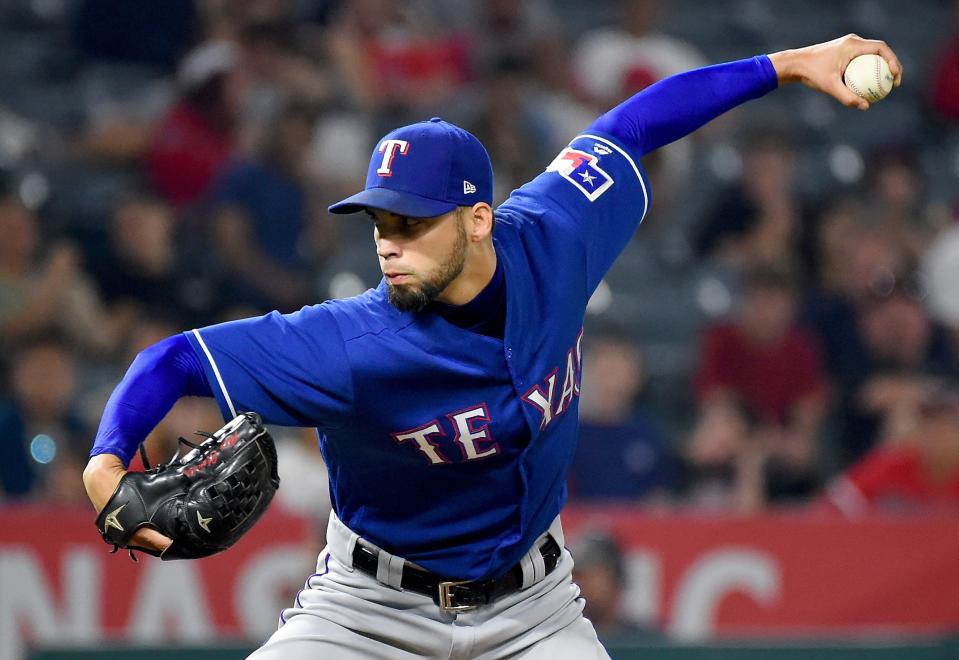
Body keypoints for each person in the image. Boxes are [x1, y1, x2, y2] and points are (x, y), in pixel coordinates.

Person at [84, 35, 902, 659]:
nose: (386, 242)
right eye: (378, 221)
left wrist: (795, 61)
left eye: (410, 221)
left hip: (537, 610)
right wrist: (107, 461)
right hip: (368, 613)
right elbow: (171, 361)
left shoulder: (556, 232)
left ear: (479, 219)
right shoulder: (348, 345)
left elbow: (639, 120)